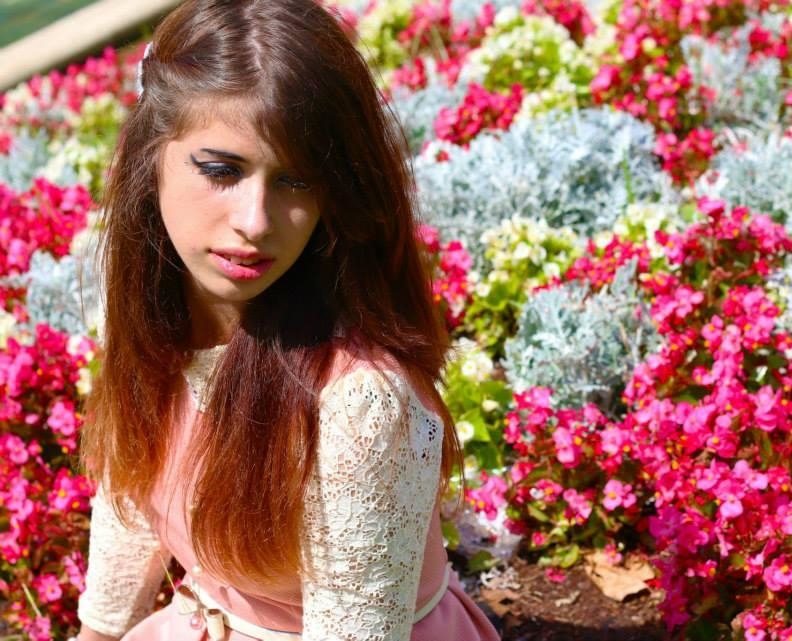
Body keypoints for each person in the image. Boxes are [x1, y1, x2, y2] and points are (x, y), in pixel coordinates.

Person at [74, 1, 501, 639]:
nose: (255, 221)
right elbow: (132, 492)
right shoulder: (149, 313)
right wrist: (100, 632)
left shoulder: (359, 402)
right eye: (221, 170)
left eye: (296, 182)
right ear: (150, 156)